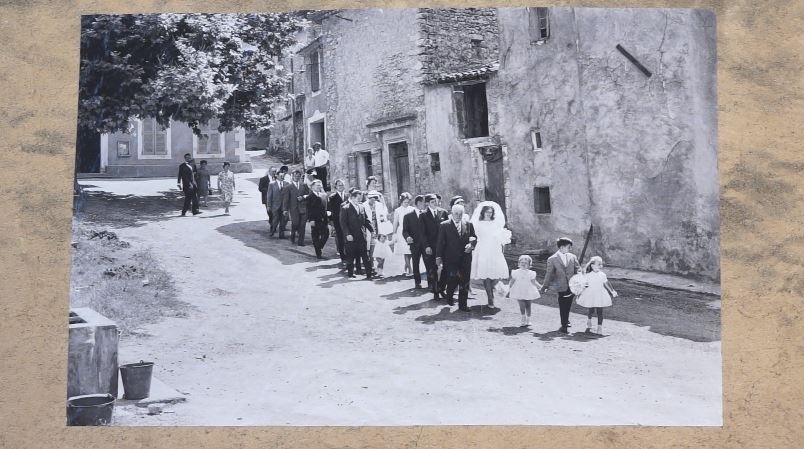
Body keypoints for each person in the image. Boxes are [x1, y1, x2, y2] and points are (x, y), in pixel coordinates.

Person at [470, 201, 512, 308]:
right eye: (487, 212)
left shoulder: (495, 223)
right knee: (485, 275)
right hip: (483, 248)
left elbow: (501, 237)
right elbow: (473, 235)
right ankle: (490, 298)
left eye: (491, 212)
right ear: (483, 212)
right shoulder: (477, 223)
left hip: (494, 249)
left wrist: (502, 244)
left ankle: (498, 287)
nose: (489, 214)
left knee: (496, 274)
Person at [436, 204, 477, 311]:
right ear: (452, 214)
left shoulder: (468, 224)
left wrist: (471, 245)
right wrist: (438, 257)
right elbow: (440, 243)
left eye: (460, 214)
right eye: (456, 214)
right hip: (450, 258)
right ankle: (449, 296)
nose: (458, 216)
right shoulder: (444, 225)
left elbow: (474, 237)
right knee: (453, 279)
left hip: (465, 258)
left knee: (465, 281)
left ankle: (463, 305)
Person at [541, 237, 582, 333]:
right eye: (569, 247)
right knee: (563, 304)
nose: (570, 249)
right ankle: (564, 325)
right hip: (560, 286)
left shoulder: (572, 257)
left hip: (572, 286)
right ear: (562, 247)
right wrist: (545, 286)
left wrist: (580, 277)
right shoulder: (552, 259)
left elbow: (578, 269)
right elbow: (549, 273)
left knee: (568, 304)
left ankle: (565, 320)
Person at [576, 256, 618, 334]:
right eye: (598, 264)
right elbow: (584, 285)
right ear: (592, 265)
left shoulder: (602, 275)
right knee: (591, 309)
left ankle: (599, 327)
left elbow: (607, 283)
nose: (600, 266)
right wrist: (579, 293)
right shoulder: (587, 275)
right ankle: (589, 320)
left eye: (600, 264)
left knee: (600, 311)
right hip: (590, 294)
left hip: (600, 294)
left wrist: (612, 291)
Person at [340, 190, 374, 280]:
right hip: (351, 236)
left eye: (360, 198)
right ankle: (350, 273)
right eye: (358, 198)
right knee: (351, 256)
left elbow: (366, 220)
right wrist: (347, 234)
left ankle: (369, 274)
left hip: (361, 235)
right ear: (352, 197)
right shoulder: (345, 208)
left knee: (365, 255)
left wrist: (372, 230)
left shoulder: (361, 207)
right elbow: (343, 224)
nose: (360, 200)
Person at [421, 193, 448, 300]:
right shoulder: (423, 215)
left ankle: (442, 289)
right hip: (431, 247)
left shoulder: (443, 212)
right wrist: (426, 246)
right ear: (427, 203)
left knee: (445, 268)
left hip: (443, 246)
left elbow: (448, 229)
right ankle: (436, 291)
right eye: (432, 202)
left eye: (436, 201)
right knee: (433, 269)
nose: (435, 203)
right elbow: (422, 233)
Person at [507, 255, 542, 327]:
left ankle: (528, 319)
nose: (523, 264)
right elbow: (512, 281)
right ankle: (523, 317)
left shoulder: (531, 273)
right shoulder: (515, 272)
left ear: (529, 265)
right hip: (519, 290)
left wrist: (540, 287)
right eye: (522, 262)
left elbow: (534, 282)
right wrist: (508, 288)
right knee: (522, 305)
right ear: (519, 264)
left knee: (528, 305)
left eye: (526, 263)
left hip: (528, 291)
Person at [403, 195, 428, 289]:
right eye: (422, 202)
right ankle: (417, 283)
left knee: (428, 263)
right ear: (417, 203)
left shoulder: (427, 215)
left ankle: (431, 283)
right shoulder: (408, 216)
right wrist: (408, 237)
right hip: (415, 244)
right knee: (415, 263)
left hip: (426, 245)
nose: (424, 204)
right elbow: (404, 231)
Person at [282, 170, 310, 246]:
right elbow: (286, 200)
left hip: (303, 208)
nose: (297, 178)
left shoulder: (304, 185)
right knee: (295, 223)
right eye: (295, 176)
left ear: (300, 177)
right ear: (292, 177)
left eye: (298, 176)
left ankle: (301, 241)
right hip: (293, 209)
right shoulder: (288, 187)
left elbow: (308, 195)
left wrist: (303, 197)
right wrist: (285, 209)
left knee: (302, 225)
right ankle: (293, 233)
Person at [391, 192, 415, 276]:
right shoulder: (398, 210)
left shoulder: (412, 209)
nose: (406, 204)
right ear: (401, 201)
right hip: (401, 232)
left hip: (411, 232)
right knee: (406, 251)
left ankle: (406, 267)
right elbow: (395, 223)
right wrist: (393, 233)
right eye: (405, 202)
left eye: (408, 202)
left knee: (410, 251)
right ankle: (410, 270)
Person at [306, 179, 330, 259]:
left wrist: (328, 214)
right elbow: (309, 209)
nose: (319, 187)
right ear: (312, 187)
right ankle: (318, 252)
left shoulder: (323, 195)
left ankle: (319, 246)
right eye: (317, 185)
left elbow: (327, 206)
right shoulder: (310, 197)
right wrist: (311, 220)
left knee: (326, 234)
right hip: (315, 219)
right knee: (315, 235)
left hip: (324, 218)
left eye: (320, 185)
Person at [363, 190, 390, 261]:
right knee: (371, 246)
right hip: (369, 229)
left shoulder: (379, 205)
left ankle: (379, 265)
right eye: (371, 198)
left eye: (375, 198)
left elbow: (383, 216)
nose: (373, 200)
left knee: (380, 246)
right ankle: (371, 264)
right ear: (368, 198)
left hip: (379, 228)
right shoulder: (364, 205)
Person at [327, 179, 348, 264]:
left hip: (347, 221)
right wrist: (332, 223)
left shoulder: (348, 196)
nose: (341, 187)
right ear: (336, 187)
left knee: (348, 238)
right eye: (339, 185)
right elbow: (330, 211)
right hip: (338, 221)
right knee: (340, 239)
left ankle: (349, 255)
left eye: (342, 185)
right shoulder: (332, 197)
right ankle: (343, 257)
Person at [266, 171, 288, 237]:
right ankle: (273, 230)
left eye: (283, 175)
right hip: (275, 205)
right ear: (277, 176)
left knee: (283, 220)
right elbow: (269, 195)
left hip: (284, 205)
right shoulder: (272, 184)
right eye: (280, 175)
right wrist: (269, 205)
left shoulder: (287, 184)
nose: (282, 177)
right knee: (275, 219)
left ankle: (281, 234)